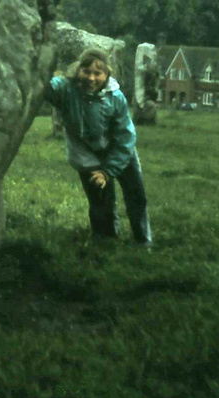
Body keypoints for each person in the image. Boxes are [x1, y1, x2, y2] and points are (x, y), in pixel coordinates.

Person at [44, 48, 153, 249]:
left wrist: (108, 170)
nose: (91, 78)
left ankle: (143, 239)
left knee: (135, 194)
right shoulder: (67, 89)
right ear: (78, 70)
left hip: (121, 152)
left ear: (107, 74)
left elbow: (126, 137)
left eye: (98, 73)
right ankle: (106, 239)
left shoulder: (115, 97)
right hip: (87, 153)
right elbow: (45, 85)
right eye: (86, 71)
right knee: (100, 199)